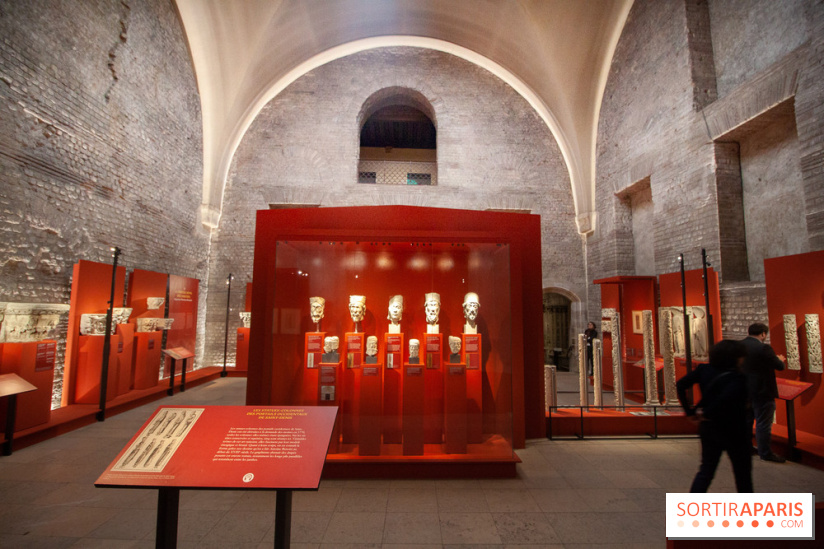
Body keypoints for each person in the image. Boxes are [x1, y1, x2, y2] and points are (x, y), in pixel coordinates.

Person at [676, 339, 753, 493]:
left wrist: (690, 412)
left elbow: (681, 384)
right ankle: (748, 510)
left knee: (706, 470)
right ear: (736, 357)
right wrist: (705, 412)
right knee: (742, 473)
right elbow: (726, 398)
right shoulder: (737, 376)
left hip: (709, 426)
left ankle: (693, 508)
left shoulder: (704, 370)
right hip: (734, 428)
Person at [742, 322, 786, 463]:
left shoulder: (739, 346)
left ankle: (747, 448)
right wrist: (779, 359)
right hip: (762, 390)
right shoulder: (763, 348)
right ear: (763, 334)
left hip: (744, 390)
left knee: (747, 421)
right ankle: (765, 452)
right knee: (763, 423)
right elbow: (779, 366)